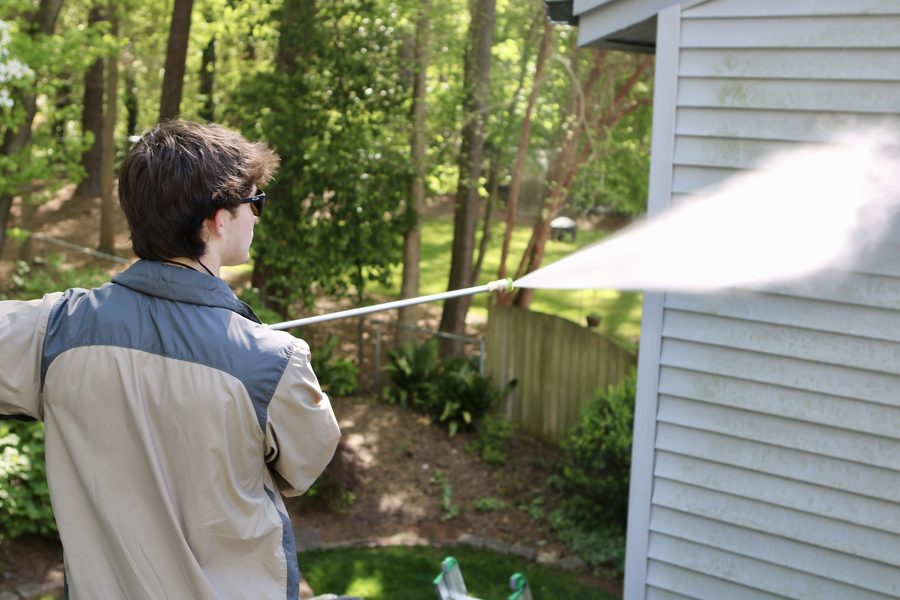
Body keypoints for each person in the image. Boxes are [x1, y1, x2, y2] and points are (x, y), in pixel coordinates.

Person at [0, 120, 341, 599]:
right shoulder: (273, 361)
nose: (257, 217)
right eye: (255, 202)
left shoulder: (55, 330)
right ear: (218, 219)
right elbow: (306, 463)